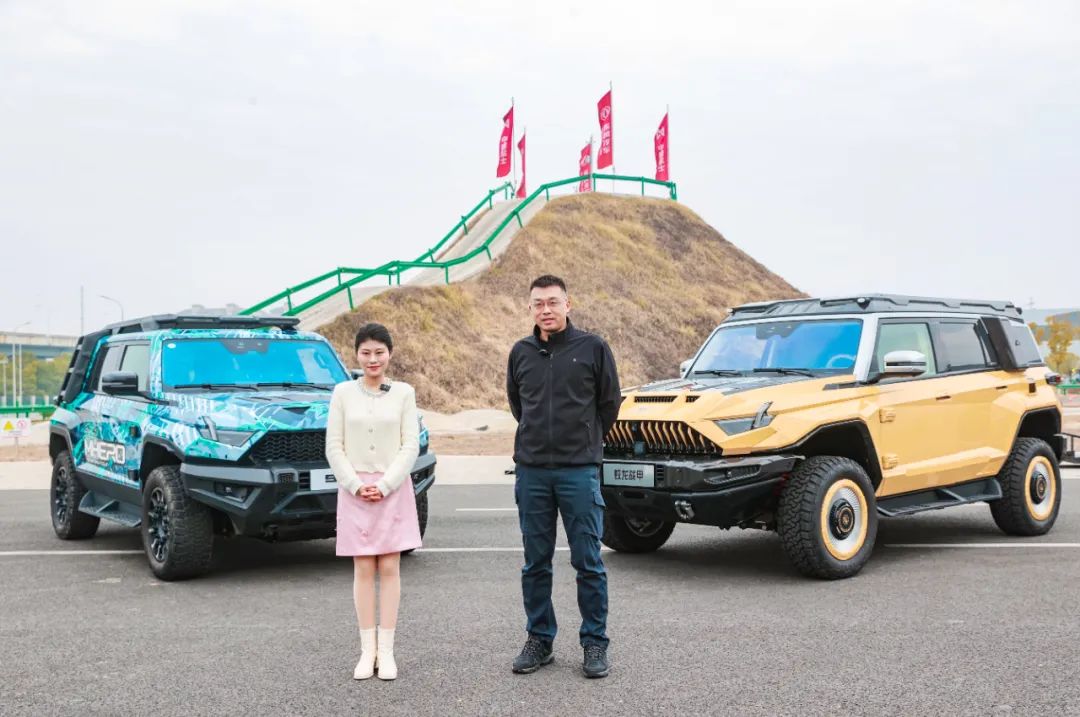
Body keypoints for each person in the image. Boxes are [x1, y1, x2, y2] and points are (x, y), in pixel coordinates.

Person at [506, 274, 622, 679]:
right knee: (535, 563)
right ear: (530, 308)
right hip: (533, 472)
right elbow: (518, 405)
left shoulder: (593, 347)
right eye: (538, 303)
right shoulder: (520, 352)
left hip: (578, 471)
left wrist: (585, 441)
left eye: (553, 302)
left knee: (588, 561)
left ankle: (594, 642)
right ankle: (539, 639)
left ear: (567, 305)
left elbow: (609, 404)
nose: (546, 310)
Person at [325, 323, 420, 681]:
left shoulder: (404, 393)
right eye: (366, 352)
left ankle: (388, 651)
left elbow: (410, 444)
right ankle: (368, 651)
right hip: (355, 490)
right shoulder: (342, 393)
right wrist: (354, 484)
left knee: (390, 568)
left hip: (392, 489)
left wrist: (385, 484)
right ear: (356, 355)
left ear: (389, 354)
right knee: (363, 569)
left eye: (379, 352)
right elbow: (334, 445)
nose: (373, 359)